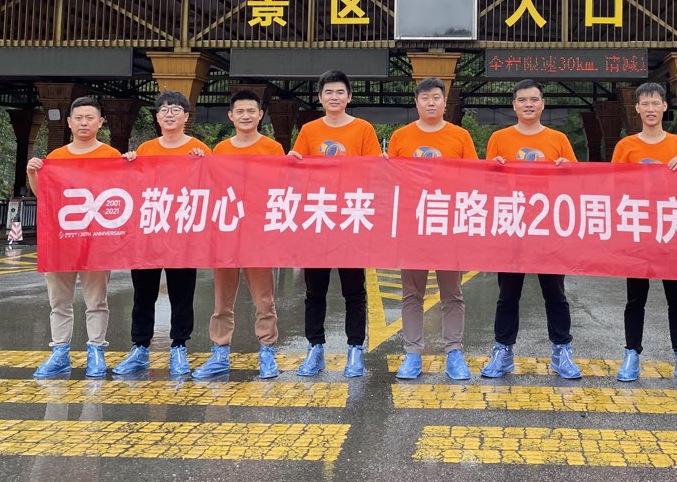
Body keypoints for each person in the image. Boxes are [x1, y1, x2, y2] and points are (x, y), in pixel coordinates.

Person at [481, 79, 581, 380]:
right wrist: (493, 168)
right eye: (523, 100)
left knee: (556, 293)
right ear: (514, 105)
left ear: (543, 104)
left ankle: (562, 351)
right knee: (507, 294)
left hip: (548, 228)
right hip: (512, 225)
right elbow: (486, 184)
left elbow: (578, 181)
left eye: (534, 99)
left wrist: (567, 169)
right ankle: (503, 351)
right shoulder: (499, 138)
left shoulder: (558, 139)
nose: (528, 104)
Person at [610, 81, 677, 385]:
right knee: (634, 299)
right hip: (638, 231)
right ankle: (631, 355)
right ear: (637, 108)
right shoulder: (626, 146)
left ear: (665, 107)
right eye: (645, 104)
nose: (650, 109)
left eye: (656, 103)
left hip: (671, 230)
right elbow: (613, 187)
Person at [289, 69, 381, 378]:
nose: (334, 97)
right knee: (314, 291)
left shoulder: (363, 129)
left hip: (351, 218)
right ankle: (315, 348)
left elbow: (374, 171)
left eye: (340, 92)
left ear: (349, 97)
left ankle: (355, 350)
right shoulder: (309, 130)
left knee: (354, 291)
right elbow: (296, 167)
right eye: (328, 92)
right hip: (318, 218)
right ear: (320, 98)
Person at [112, 91, 210, 379]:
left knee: (182, 294)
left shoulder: (200, 149)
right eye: (164, 110)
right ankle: (140, 348)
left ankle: (179, 347)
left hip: (182, 234)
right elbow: (130, 185)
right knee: (143, 294)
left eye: (176, 109)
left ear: (186, 116)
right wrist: (129, 162)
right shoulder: (145, 149)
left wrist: (204, 164)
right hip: (148, 234)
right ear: (157, 117)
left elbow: (212, 187)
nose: (170, 114)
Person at [387, 77, 479, 381]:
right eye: (425, 97)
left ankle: (454, 352)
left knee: (452, 293)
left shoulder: (460, 136)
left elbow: (475, 178)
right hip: (413, 226)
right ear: (416, 103)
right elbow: (390, 181)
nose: (430, 102)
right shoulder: (400, 136)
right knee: (411, 294)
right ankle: (413, 354)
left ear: (444, 102)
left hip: (448, 225)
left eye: (436, 97)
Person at [26, 96, 120, 379]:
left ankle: (96, 350)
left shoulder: (111, 156)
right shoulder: (56, 158)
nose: (83, 123)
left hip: (96, 240)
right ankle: (60, 352)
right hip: (61, 240)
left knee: (97, 300)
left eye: (89, 118)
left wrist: (130, 164)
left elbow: (123, 192)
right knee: (59, 301)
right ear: (69, 122)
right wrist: (33, 173)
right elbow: (44, 195)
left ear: (100, 122)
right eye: (78, 118)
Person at [193, 89, 283, 381]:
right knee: (222, 299)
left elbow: (283, 188)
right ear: (231, 116)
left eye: (251, 111)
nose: (246, 116)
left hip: (258, 234)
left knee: (264, 299)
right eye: (240, 112)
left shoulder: (273, 149)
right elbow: (208, 187)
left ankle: (267, 350)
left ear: (260, 115)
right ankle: (220, 351)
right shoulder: (219, 150)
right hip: (227, 233)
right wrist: (196, 161)